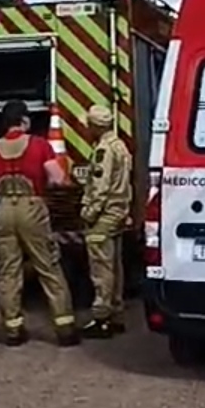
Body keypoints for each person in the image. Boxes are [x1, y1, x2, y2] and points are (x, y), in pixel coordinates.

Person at [0, 100, 79, 347]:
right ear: (24, 121)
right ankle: (65, 329)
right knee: (48, 267)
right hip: (32, 208)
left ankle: (13, 329)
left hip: (3, 211)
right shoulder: (39, 145)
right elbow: (57, 179)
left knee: (8, 271)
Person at [79, 104, 132, 339]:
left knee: (101, 268)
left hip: (104, 215)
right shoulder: (120, 146)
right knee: (115, 267)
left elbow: (100, 187)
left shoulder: (103, 151)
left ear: (95, 126)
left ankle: (102, 317)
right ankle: (116, 314)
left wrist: (89, 213)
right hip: (118, 212)